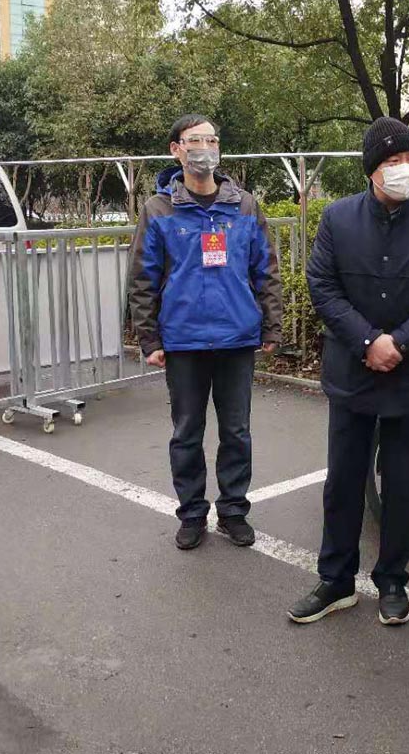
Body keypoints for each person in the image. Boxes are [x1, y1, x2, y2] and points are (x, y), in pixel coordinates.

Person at [287, 117, 409, 627]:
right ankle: (336, 580)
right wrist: (368, 341)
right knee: (344, 481)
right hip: (353, 371)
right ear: (371, 170)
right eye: (393, 161)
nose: (405, 169)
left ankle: (392, 581)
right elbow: (323, 286)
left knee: (405, 483)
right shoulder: (338, 218)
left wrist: (399, 343)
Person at [128, 114, 283, 551]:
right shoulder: (159, 210)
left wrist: (272, 325)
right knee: (186, 433)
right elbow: (142, 278)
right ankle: (192, 513)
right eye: (195, 140)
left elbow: (266, 271)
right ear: (176, 149)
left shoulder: (244, 206)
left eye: (212, 140)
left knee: (237, 432)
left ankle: (233, 511)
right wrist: (149, 338)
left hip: (237, 338)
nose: (205, 148)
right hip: (183, 340)